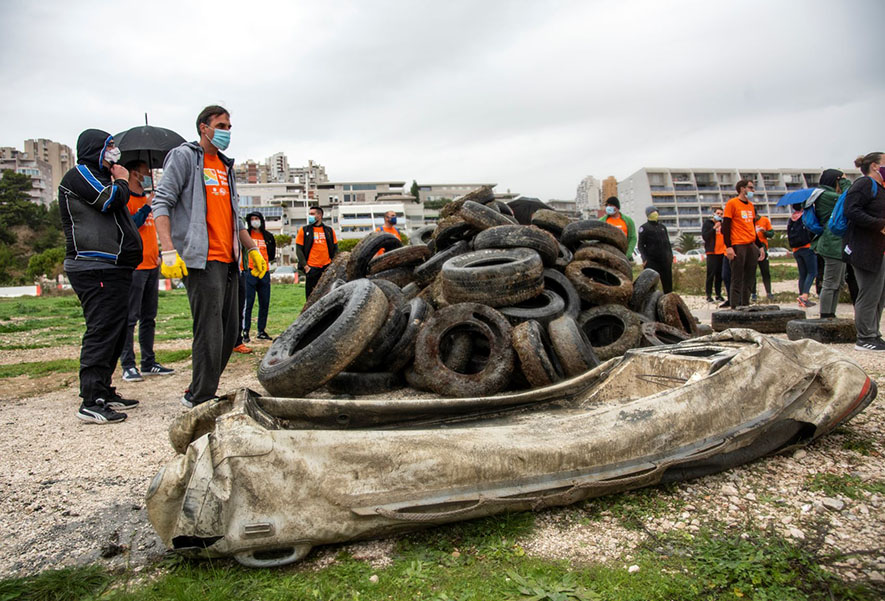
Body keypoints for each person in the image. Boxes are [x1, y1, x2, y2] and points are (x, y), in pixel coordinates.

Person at [151, 105, 268, 408]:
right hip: (201, 259)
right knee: (209, 330)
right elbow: (161, 203)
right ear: (204, 128)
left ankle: (199, 388)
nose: (227, 132)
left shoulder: (226, 166)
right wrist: (168, 249)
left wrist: (251, 248)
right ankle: (200, 396)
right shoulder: (185, 157)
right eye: (221, 126)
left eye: (229, 127)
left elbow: (234, 217)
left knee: (230, 333)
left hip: (229, 259)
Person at [59, 129, 142, 423]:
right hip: (93, 267)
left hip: (114, 268)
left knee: (116, 332)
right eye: (109, 146)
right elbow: (108, 201)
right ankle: (91, 400)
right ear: (95, 149)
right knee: (102, 330)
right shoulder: (79, 175)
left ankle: (104, 390)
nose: (114, 152)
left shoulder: (103, 176)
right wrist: (122, 180)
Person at [119, 161, 174, 382]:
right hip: (135, 267)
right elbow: (130, 225)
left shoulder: (148, 199)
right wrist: (146, 207)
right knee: (130, 318)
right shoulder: (127, 199)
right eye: (145, 172)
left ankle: (148, 362)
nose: (148, 175)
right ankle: (128, 364)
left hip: (152, 265)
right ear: (134, 174)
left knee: (149, 317)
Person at [843, 152, 885, 351]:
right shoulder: (864, 184)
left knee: (879, 295)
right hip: (864, 248)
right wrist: (879, 224)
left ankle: (874, 334)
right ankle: (864, 337)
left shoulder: (880, 187)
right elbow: (851, 210)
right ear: (875, 166)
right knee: (868, 294)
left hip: (878, 249)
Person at [814, 169, 852, 318]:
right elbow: (850, 196)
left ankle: (831, 314)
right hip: (831, 244)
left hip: (837, 243)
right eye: (841, 180)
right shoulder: (826, 195)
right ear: (836, 180)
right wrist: (845, 182)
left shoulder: (826, 194)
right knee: (830, 283)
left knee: (838, 283)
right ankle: (825, 314)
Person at [723, 179, 759, 308]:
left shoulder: (751, 206)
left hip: (751, 244)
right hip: (738, 244)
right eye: (750, 188)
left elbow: (752, 226)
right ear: (742, 189)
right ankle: (734, 306)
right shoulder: (732, 203)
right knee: (737, 277)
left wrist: (759, 246)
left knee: (750, 277)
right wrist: (729, 247)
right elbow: (725, 227)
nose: (752, 190)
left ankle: (745, 304)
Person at [242, 211, 276, 342]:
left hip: (264, 272)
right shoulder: (246, 235)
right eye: (252, 219)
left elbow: (271, 254)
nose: (254, 221)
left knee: (264, 302)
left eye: (257, 218)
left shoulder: (268, 236)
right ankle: (245, 331)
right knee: (248, 303)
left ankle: (261, 330)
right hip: (250, 272)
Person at [295, 206, 338, 300]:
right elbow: (299, 250)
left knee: (327, 295)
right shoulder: (304, 230)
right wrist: (306, 267)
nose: (310, 216)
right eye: (309, 214)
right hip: (311, 268)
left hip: (326, 268)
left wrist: (333, 264)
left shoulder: (329, 231)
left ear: (320, 215)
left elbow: (335, 249)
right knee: (310, 297)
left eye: (312, 214)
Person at [637, 206, 674, 293]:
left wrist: (670, 257)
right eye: (653, 212)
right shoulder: (644, 228)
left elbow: (667, 243)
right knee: (650, 285)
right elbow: (640, 245)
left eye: (656, 211)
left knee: (668, 284)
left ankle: (668, 298)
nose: (655, 213)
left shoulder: (662, 227)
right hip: (651, 261)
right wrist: (644, 259)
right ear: (648, 214)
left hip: (665, 261)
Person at [787, 203, 818, 308]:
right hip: (807, 247)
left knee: (803, 274)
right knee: (812, 272)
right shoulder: (805, 216)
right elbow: (812, 228)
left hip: (796, 250)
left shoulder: (791, 219)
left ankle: (801, 297)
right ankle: (804, 296)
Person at [701, 206, 726, 303]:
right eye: (718, 213)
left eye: (721, 214)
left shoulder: (723, 224)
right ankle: (708, 295)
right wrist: (714, 228)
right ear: (714, 214)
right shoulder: (708, 223)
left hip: (722, 252)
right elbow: (705, 236)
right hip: (712, 252)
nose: (719, 215)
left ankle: (718, 294)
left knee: (719, 275)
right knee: (710, 274)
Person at [752, 212, 774, 301]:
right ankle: (753, 293)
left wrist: (765, 232)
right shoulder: (748, 222)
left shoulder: (764, 220)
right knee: (752, 272)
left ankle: (769, 292)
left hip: (763, 248)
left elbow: (771, 233)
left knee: (765, 271)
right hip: (751, 249)